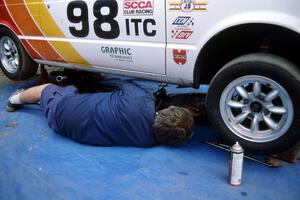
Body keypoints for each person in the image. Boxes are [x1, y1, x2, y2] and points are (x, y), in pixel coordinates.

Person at [6, 82, 194, 147]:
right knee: (72, 92)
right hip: (74, 129)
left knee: (48, 89)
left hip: (64, 112)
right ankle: (45, 104)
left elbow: (126, 85)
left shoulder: (140, 99)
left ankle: (14, 99)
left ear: (163, 110)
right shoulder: (149, 141)